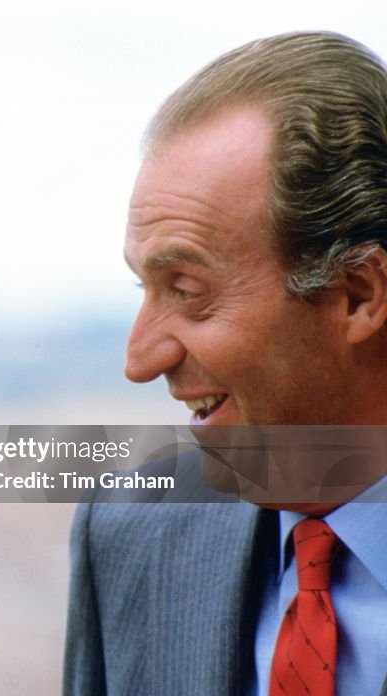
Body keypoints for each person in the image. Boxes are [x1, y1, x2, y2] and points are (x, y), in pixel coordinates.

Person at [63, 32, 387, 695]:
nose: (140, 359)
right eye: (144, 289)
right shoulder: (125, 535)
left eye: (186, 291)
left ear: (360, 294)